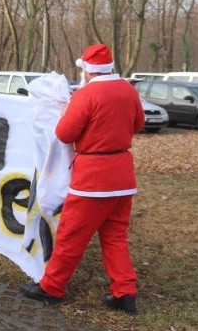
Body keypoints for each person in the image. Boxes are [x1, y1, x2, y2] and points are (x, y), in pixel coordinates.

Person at [21, 44, 145, 315]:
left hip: (92, 179)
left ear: (87, 71)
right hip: (123, 176)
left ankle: (52, 287)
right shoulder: (128, 90)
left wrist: (68, 115)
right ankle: (125, 291)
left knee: (71, 235)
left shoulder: (86, 95)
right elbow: (138, 123)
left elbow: (64, 133)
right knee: (115, 236)